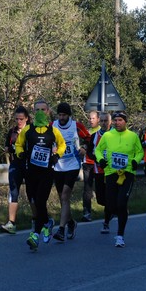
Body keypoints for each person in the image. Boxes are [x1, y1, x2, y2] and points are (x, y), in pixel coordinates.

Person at [15, 99, 66, 251]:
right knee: (33, 199)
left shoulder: (53, 131)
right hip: (31, 172)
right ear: (33, 112)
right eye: (37, 110)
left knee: (39, 200)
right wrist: (21, 153)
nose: (40, 113)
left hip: (46, 173)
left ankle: (35, 235)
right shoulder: (28, 130)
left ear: (48, 112)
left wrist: (58, 155)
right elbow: (18, 144)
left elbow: (62, 144)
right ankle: (47, 222)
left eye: (43, 110)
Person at [95, 111, 144, 247]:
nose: (117, 122)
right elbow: (98, 150)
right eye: (115, 120)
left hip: (127, 174)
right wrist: (101, 160)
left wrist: (135, 160)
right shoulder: (108, 135)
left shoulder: (133, 136)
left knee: (121, 203)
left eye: (120, 120)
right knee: (111, 205)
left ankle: (120, 236)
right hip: (111, 173)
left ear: (125, 122)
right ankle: (121, 213)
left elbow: (140, 151)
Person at [51, 102, 91, 242]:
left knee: (65, 195)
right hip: (58, 165)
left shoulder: (76, 126)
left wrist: (84, 148)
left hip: (73, 164)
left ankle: (61, 230)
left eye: (64, 115)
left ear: (69, 115)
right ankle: (71, 223)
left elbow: (88, 138)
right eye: (60, 115)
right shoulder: (53, 125)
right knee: (63, 198)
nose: (61, 117)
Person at [1, 106, 34, 234]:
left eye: (21, 119)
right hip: (16, 164)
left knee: (31, 192)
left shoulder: (32, 130)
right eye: (16, 119)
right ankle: (11, 223)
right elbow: (7, 146)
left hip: (29, 165)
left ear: (26, 118)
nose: (19, 121)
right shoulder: (12, 131)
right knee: (13, 191)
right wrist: (8, 149)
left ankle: (36, 219)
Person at [86, 112, 113, 233]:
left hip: (113, 171)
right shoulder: (95, 136)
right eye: (101, 121)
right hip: (99, 170)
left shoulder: (116, 134)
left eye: (105, 121)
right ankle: (113, 209)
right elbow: (89, 152)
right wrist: (97, 159)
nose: (103, 123)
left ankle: (106, 222)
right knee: (101, 199)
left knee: (109, 196)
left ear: (110, 122)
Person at [81, 110, 100, 222]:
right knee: (87, 188)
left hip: (99, 164)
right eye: (89, 118)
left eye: (93, 118)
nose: (91, 120)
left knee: (101, 188)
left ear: (98, 119)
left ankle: (111, 209)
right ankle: (87, 212)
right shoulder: (86, 132)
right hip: (87, 163)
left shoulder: (102, 132)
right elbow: (84, 144)